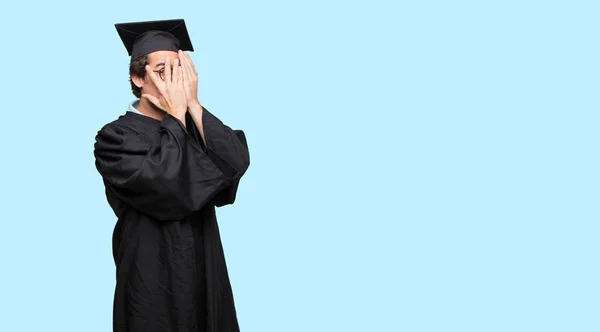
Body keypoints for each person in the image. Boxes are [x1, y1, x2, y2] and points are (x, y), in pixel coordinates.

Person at [93, 19, 250, 332]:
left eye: (179, 71)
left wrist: (192, 104)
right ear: (138, 77)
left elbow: (234, 164)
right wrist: (177, 116)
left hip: (205, 266)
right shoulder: (115, 138)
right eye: (163, 71)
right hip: (151, 272)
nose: (173, 82)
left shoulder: (196, 127)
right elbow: (165, 186)